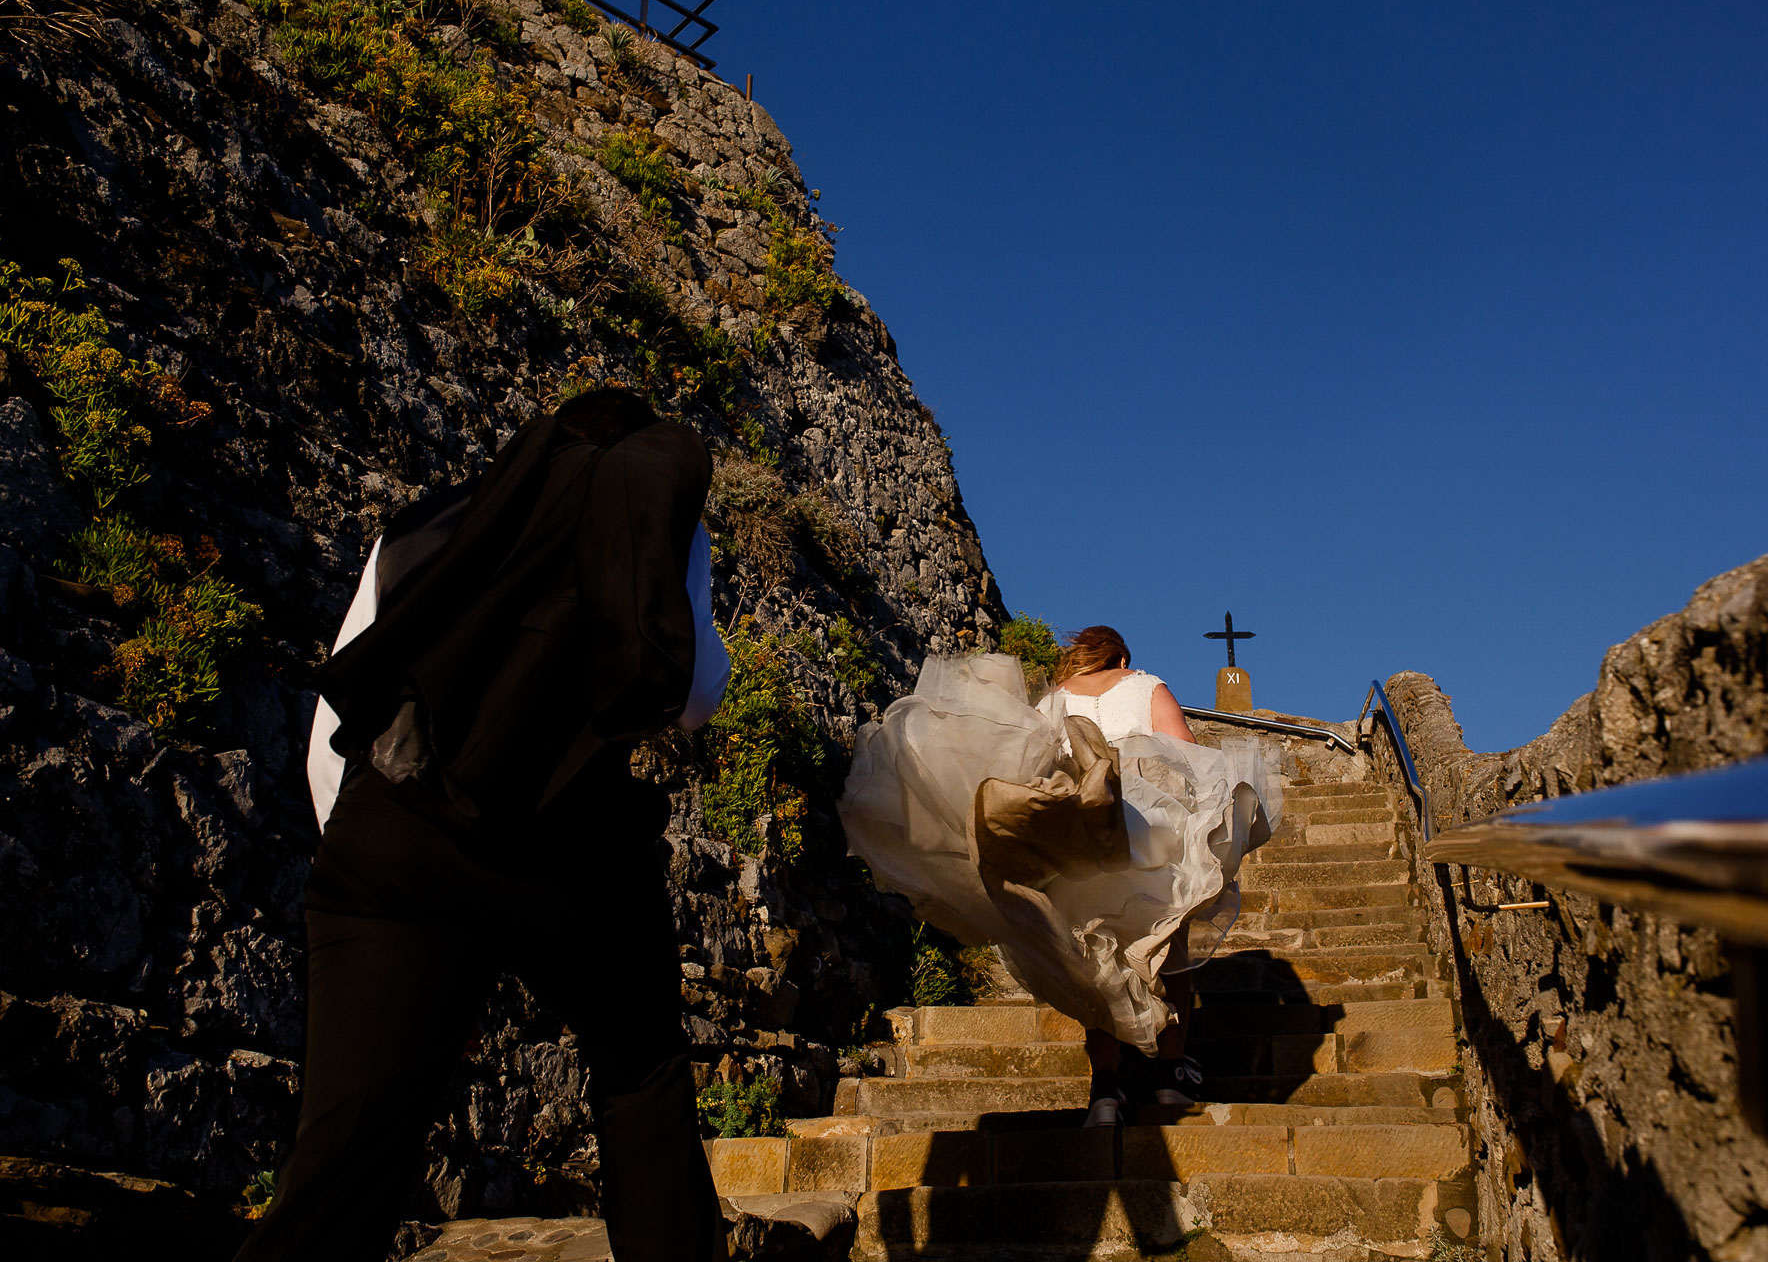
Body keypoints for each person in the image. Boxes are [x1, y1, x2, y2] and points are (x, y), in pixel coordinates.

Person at [236, 387, 731, 1262]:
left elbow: (334, 731)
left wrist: (374, 889)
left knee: (348, 1145)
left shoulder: (430, 528)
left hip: (392, 840)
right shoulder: (651, 514)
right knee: (640, 1076)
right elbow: (690, 697)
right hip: (569, 856)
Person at [838, 625, 1272, 1129]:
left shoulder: (1054, 701)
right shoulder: (1146, 686)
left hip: (1078, 842)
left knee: (1092, 955)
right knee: (1170, 943)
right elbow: (1188, 754)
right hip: (1144, 829)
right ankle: (1171, 1075)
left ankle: (1106, 1089)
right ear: (1121, 655)